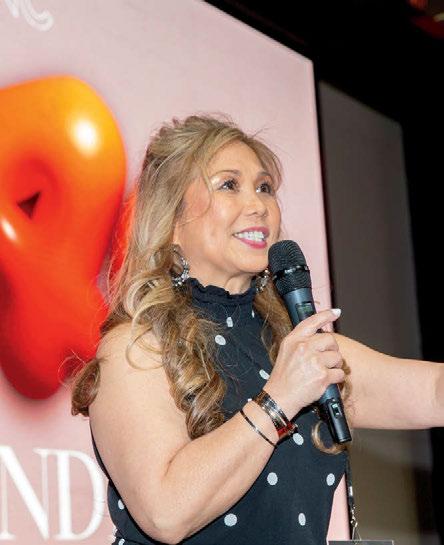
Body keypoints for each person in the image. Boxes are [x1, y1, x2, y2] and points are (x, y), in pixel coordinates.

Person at [70, 113, 444, 545]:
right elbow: (165, 513)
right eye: (229, 185)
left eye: (264, 188)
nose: (258, 205)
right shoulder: (136, 346)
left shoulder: (298, 346)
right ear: (172, 219)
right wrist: (279, 399)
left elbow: (434, 392)